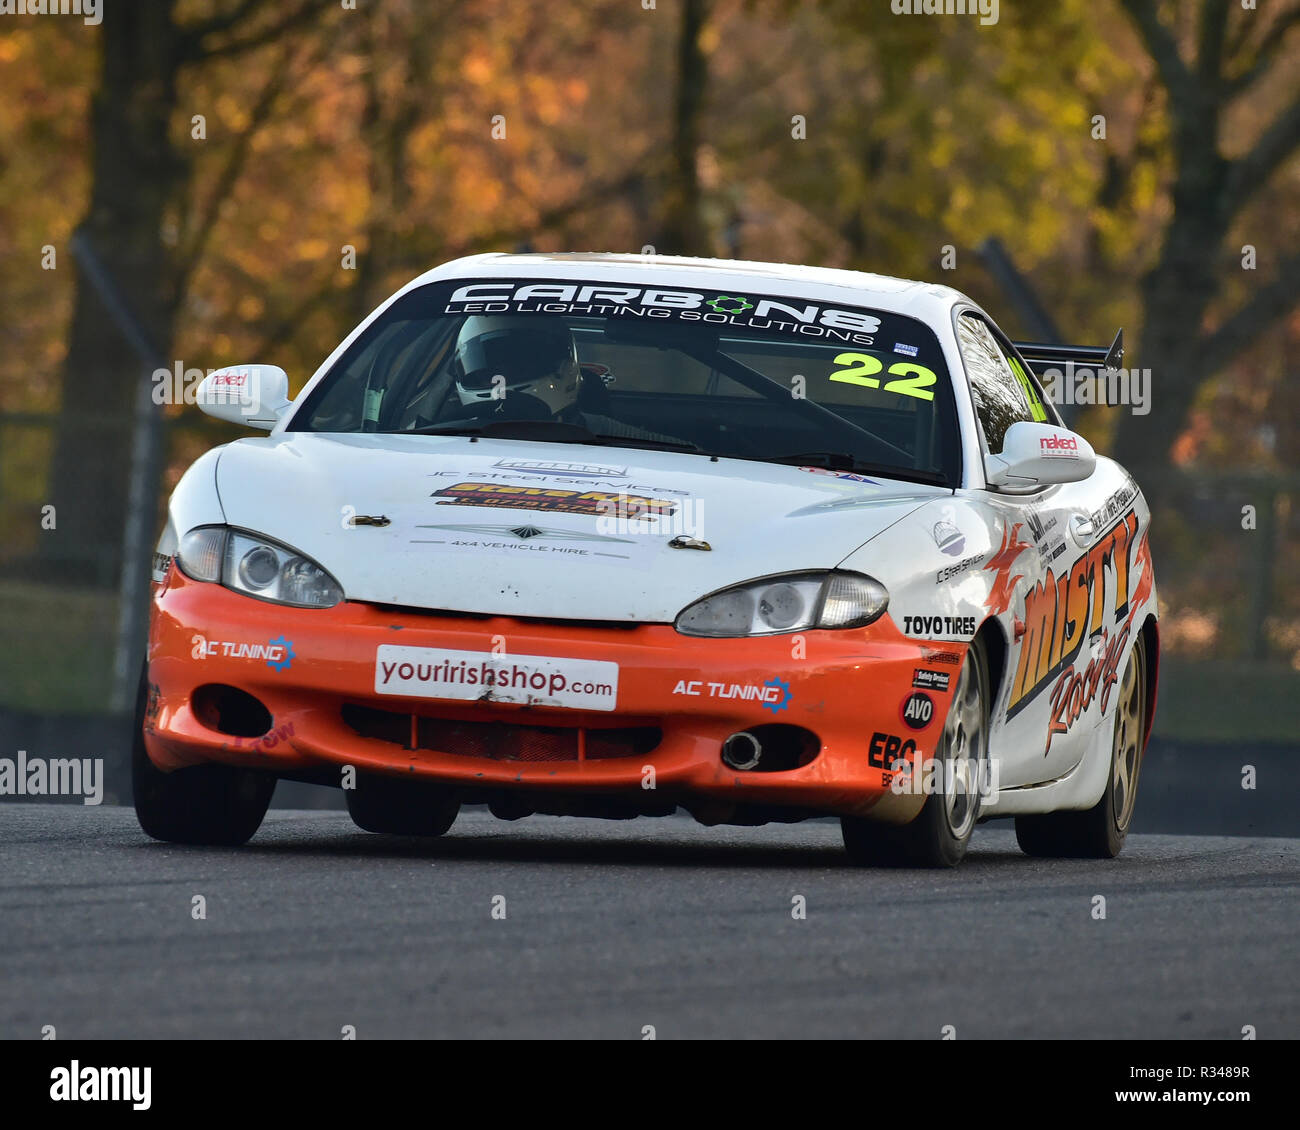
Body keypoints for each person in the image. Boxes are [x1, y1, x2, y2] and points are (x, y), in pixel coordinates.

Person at [450, 315, 683, 443]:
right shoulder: (435, 438)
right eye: (483, 371)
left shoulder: (637, 442)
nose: (497, 380)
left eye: (514, 366)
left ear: (563, 368)